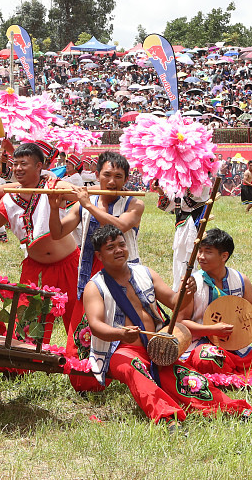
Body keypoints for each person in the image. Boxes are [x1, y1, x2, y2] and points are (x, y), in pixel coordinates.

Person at [82, 225, 252, 426]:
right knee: (134, 368)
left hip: (156, 347)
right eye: (111, 248)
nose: (119, 250)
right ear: (99, 256)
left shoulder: (145, 273)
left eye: (122, 244)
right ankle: (168, 418)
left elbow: (174, 301)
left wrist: (188, 291)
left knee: (188, 379)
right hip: (120, 350)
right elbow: (95, 325)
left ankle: (236, 409)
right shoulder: (95, 286)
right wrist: (120, 333)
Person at [48, 150, 144, 391]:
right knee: (86, 330)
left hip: (124, 278)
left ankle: (124, 375)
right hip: (90, 279)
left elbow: (121, 225)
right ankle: (86, 379)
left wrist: (88, 204)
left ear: (126, 179)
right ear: (97, 174)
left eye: (119, 176)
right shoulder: (83, 205)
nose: (112, 182)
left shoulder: (134, 203)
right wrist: (52, 207)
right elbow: (58, 233)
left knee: (124, 329)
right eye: (107, 175)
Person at [0, 143, 79, 344]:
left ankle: (81, 368)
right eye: (15, 163)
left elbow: (78, 194)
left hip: (68, 265)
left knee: (77, 320)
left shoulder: (52, 187)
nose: (17, 168)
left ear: (39, 167)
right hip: (35, 268)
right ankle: (20, 366)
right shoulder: (9, 197)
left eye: (23, 164)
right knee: (26, 320)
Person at [176, 228, 252, 376]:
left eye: (208, 252)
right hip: (201, 344)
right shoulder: (192, 283)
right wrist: (212, 330)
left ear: (224, 256)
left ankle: (230, 368)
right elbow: (181, 322)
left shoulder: (240, 280)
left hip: (234, 344)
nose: (201, 257)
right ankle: (233, 371)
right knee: (206, 359)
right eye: (200, 251)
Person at [153, 180, 212, 289]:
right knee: (179, 257)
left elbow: (196, 198)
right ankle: (178, 289)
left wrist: (183, 184)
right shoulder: (179, 182)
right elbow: (169, 205)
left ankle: (188, 289)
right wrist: (160, 190)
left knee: (190, 257)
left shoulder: (202, 180)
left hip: (193, 224)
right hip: (181, 226)